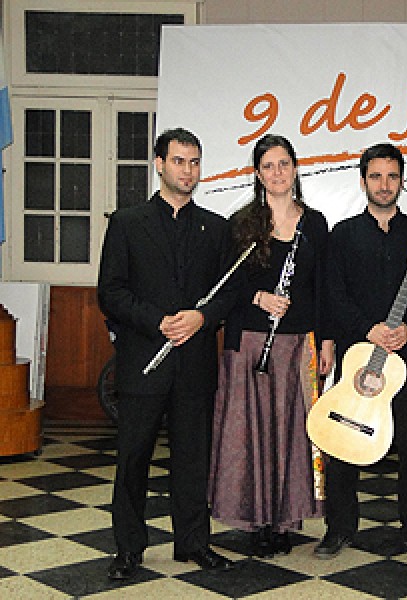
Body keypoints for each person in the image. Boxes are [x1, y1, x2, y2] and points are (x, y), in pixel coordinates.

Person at [98, 128, 238, 580]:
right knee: (133, 459)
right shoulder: (127, 223)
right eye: (179, 161)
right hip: (143, 362)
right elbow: (110, 292)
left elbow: (228, 293)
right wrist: (156, 321)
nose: (188, 171)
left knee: (193, 460)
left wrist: (202, 318)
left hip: (194, 364)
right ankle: (128, 549)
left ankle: (194, 543)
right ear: (159, 164)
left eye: (194, 162)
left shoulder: (216, 228)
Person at [314, 142, 407, 559]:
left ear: (402, 181)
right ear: (363, 180)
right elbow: (333, 294)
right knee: (343, 441)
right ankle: (339, 529)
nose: (384, 185)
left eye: (392, 176)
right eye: (376, 176)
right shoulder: (343, 234)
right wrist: (366, 329)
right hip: (358, 355)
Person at [208, 134, 334, 557]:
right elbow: (224, 286)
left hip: (298, 344)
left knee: (290, 433)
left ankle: (283, 521)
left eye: (284, 164)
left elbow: (322, 289)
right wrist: (259, 297)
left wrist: (326, 341)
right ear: (258, 174)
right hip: (249, 343)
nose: (277, 172)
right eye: (268, 166)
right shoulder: (241, 224)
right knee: (252, 433)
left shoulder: (315, 224)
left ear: (295, 168)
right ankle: (255, 521)